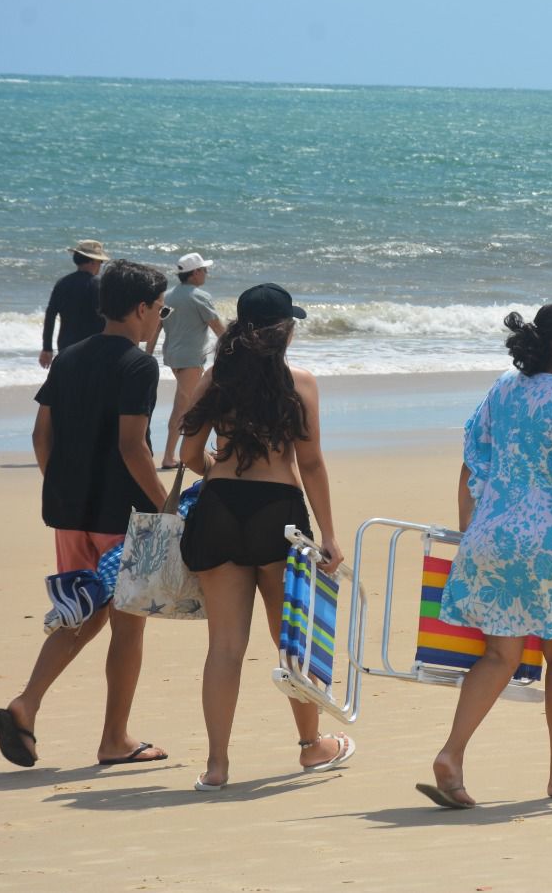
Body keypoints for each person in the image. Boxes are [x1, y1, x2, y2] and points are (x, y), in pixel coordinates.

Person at [420, 304, 552, 808]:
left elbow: (472, 463)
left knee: (499, 656)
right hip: (549, 542)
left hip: (492, 536)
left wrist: (471, 534)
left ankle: (451, 754)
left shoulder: (503, 388)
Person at [0, 259, 172, 769]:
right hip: (123, 518)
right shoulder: (139, 365)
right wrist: (166, 508)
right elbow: (134, 447)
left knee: (82, 610)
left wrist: (62, 488)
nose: (160, 317)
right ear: (140, 309)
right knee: (127, 628)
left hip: (69, 513)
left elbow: (39, 436)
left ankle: (25, 705)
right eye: (159, 309)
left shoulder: (68, 357)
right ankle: (114, 739)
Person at [178, 283, 349, 791]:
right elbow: (311, 462)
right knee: (290, 641)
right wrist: (331, 536)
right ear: (285, 330)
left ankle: (217, 766)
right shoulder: (300, 383)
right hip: (279, 512)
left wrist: (217, 468)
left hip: (220, 507)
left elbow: (189, 455)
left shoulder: (215, 380)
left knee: (225, 647)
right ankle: (311, 748)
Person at [147, 254, 226, 469]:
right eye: (204, 270)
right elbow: (217, 327)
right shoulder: (200, 297)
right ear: (195, 273)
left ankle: (172, 455)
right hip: (191, 359)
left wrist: (147, 355)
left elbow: (156, 328)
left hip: (173, 358)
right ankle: (180, 454)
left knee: (183, 404)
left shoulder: (168, 297)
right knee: (189, 407)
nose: (206, 274)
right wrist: (236, 348)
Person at [39, 239, 109, 369]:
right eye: (101, 261)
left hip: (66, 345)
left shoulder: (62, 283)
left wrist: (47, 348)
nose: (101, 265)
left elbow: (50, 315)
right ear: (93, 261)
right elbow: (106, 317)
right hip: (93, 347)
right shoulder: (98, 285)